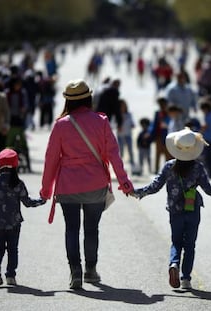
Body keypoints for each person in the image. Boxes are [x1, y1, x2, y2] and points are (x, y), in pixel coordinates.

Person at [40, 79, 134, 290]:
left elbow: (51, 159)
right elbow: (114, 154)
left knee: (71, 229)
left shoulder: (61, 125)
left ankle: (75, 271)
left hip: (68, 186)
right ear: (89, 98)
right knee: (91, 229)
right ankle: (90, 270)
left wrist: (46, 189)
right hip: (95, 184)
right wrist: (124, 182)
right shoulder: (100, 121)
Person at [132, 128, 211, 290]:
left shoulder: (168, 167)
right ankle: (186, 279)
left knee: (176, 242)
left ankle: (174, 263)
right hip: (192, 209)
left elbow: (155, 187)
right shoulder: (198, 168)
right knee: (190, 245)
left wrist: (136, 192)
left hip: (175, 211)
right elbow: (209, 190)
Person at [0, 148, 45, 286]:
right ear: (16, 164)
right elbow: (27, 203)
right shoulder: (18, 183)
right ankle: (10, 275)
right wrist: (42, 200)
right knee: (13, 249)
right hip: (14, 222)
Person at [150, 96, 172, 173]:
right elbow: (154, 125)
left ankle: (168, 170)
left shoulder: (169, 113)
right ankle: (156, 170)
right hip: (159, 137)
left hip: (167, 137)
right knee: (158, 154)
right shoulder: (157, 113)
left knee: (168, 155)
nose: (162, 106)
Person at [116, 99, 135, 169]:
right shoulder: (117, 115)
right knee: (120, 149)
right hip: (120, 135)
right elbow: (113, 124)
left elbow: (132, 123)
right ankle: (120, 163)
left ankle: (132, 161)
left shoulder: (129, 114)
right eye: (121, 106)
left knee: (130, 148)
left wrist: (132, 125)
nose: (122, 107)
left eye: (123, 106)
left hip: (128, 134)